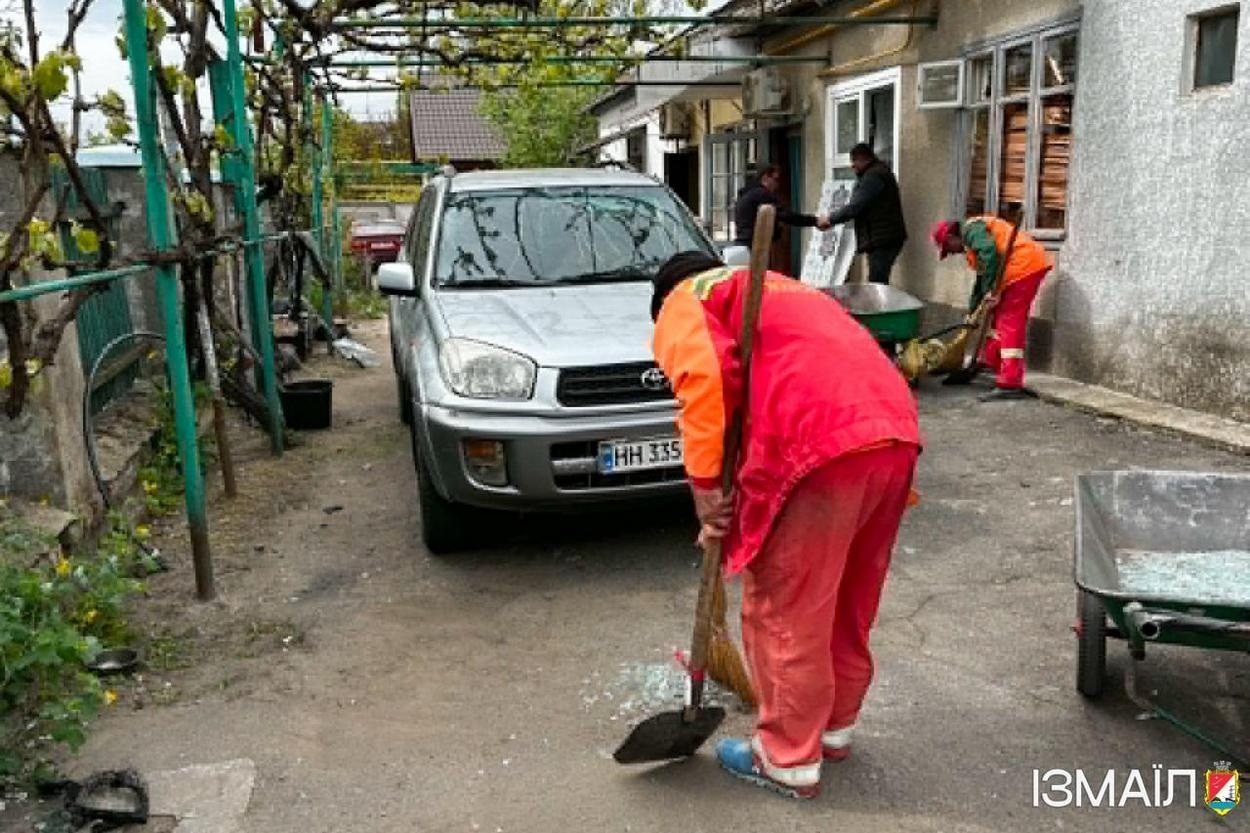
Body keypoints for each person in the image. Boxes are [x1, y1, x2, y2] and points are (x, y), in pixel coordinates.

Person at [650, 251, 922, 800]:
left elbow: (704, 384)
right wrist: (727, 506)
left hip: (819, 445)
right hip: (892, 435)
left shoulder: (688, 298)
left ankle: (787, 758)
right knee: (845, 598)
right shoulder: (782, 291)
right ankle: (834, 728)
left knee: (785, 609)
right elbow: (754, 403)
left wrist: (705, 490)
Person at [930, 216, 1054, 401]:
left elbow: (989, 253)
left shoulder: (971, 231)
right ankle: (989, 361)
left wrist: (991, 290)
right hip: (1020, 267)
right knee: (996, 316)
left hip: (1023, 267)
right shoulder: (972, 241)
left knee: (1009, 320)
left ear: (950, 237)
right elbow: (981, 278)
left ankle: (1010, 383)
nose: (953, 253)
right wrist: (972, 310)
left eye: (949, 249)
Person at [825, 143, 908, 285]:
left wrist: (830, 219)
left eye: (854, 161)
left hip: (883, 239)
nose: (852, 166)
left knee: (877, 282)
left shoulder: (873, 176)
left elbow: (855, 206)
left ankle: (879, 301)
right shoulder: (877, 172)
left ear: (864, 159)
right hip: (882, 238)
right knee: (877, 280)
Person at [732, 164, 831, 254]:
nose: (777, 185)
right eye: (775, 180)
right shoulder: (761, 194)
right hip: (754, 246)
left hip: (743, 244)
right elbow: (785, 215)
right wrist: (815, 221)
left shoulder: (747, 194)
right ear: (765, 177)